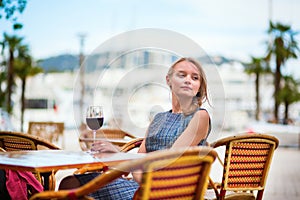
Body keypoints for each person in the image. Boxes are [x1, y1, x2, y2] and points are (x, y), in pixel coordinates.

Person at [59, 57, 212, 199]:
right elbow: (138, 159)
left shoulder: (200, 117)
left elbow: (168, 163)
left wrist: (130, 165)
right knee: (69, 182)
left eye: (194, 77)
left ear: (198, 87)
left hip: (166, 190)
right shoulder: (158, 118)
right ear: (168, 80)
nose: (188, 80)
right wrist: (116, 154)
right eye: (182, 75)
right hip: (139, 183)